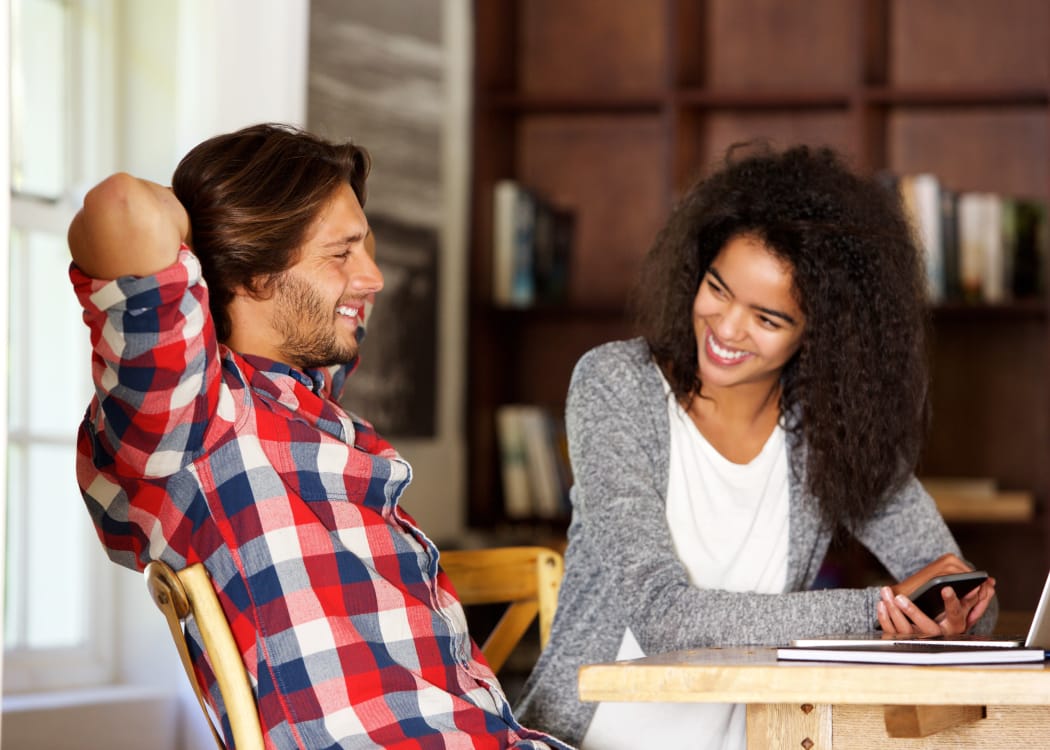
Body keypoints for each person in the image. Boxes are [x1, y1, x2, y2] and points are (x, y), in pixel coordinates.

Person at [69, 123, 572, 750]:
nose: (374, 277)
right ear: (253, 275)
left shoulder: (308, 409)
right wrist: (218, 244)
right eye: (342, 254)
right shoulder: (197, 424)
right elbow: (122, 207)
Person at [515, 143, 998, 749]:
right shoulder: (618, 386)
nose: (726, 329)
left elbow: (959, 586)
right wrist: (879, 611)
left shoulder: (830, 431)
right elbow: (666, 618)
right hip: (582, 741)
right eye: (719, 289)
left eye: (767, 319)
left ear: (820, 335)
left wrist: (949, 620)